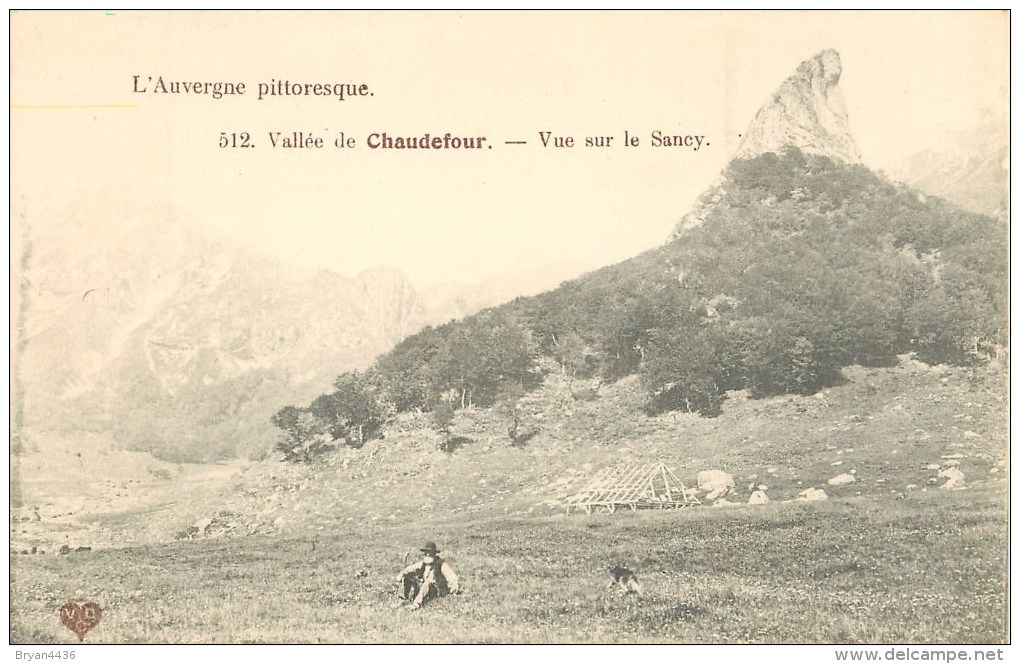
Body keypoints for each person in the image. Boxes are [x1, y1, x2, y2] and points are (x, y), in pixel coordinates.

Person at [399, 540, 460, 609]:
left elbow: (452, 577)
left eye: (430, 553)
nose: (428, 555)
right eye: (426, 553)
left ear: (434, 554)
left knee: (427, 582)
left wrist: (454, 587)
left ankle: (416, 604)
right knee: (407, 577)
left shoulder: (441, 564)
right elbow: (411, 568)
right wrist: (403, 573)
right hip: (424, 589)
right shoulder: (423, 563)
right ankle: (403, 599)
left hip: (436, 590)